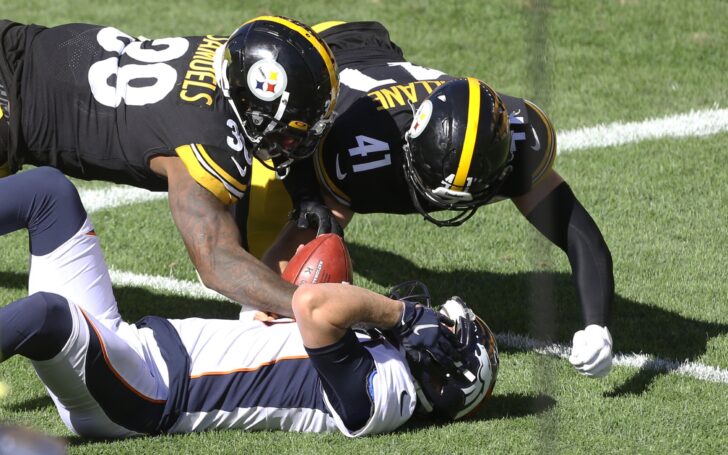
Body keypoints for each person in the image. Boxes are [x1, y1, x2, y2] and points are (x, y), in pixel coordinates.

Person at [0, 167, 499, 438]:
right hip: (133, 346)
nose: (434, 321)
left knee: (46, 314)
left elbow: (314, 308)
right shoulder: (382, 359)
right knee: (48, 193)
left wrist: (399, 315)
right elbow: (272, 296)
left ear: (448, 372)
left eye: (448, 332)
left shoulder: (387, 397)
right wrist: (296, 226)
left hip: (143, 395)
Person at [257, 21, 614, 378]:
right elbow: (305, 178)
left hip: (377, 57)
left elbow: (576, 232)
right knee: (268, 220)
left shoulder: (511, 140)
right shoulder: (363, 150)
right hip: (325, 53)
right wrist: (262, 306)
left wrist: (597, 326)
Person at [0, 15, 340, 316]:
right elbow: (217, 264)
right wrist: (313, 306)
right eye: (292, 131)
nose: (294, 143)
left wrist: (304, 190)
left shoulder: (228, 55)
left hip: (14, 43)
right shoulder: (207, 143)